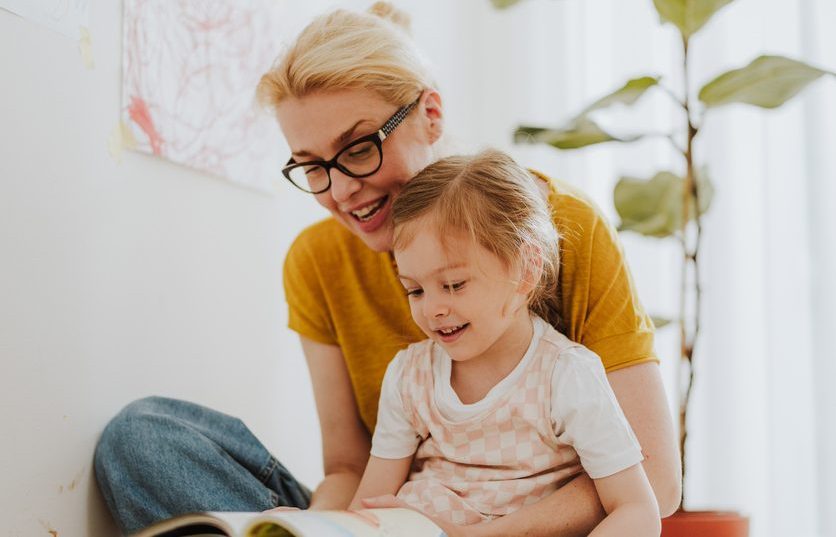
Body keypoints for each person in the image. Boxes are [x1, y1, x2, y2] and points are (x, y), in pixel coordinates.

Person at [94, 3, 680, 536]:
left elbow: (654, 481)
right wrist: (318, 525)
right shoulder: (318, 260)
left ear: (430, 114)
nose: (344, 190)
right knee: (143, 439)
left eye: (358, 148)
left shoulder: (555, 227)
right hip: (397, 517)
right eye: (312, 166)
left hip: (526, 525)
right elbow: (350, 466)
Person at [347, 150, 661, 537]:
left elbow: (636, 510)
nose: (432, 309)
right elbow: (368, 506)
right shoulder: (410, 376)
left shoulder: (565, 376)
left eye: (453, 285)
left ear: (526, 270)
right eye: (414, 290)